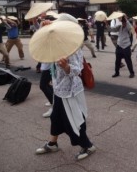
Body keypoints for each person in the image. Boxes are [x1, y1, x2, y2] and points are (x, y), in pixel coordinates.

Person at [35, 17, 96, 161]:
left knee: (73, 119)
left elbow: (78, 69)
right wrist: (43, 28)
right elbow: (40, 46)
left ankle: (87, 145)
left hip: (70, 90)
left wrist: (67, 67)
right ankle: (52, 143)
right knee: (55, 117)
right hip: (59, 89)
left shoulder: (73, 46)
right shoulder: (58, 42)